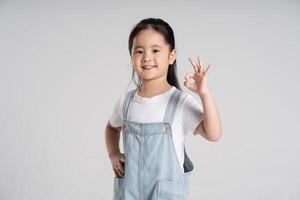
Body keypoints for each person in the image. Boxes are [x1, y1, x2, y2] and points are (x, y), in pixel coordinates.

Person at [105, 18, 222, 200]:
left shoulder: (180, 102)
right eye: (139, 51)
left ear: (171, 56)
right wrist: (113, 153)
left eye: (155, 50)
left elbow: (213, 134)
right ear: (131, 56)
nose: (147, 57)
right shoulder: (126, 102)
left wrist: (204, 94)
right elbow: (112, 127)